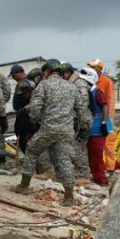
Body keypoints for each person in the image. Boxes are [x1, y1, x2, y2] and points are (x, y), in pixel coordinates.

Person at [13, 60, 87, 205]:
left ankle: (24, 186)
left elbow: (35, 108)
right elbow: (82, 110)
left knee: (32, 151)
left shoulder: (43, 85)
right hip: (66, 131)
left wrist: (35, 122)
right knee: (64, 160)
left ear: (47, 71)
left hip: (48, 129)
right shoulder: (71, 87)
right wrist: (83, 127)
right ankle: (69, 196)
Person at [78, 67, 111, 186]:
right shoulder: (88, 92)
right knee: (91, 156)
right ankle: (97, 178)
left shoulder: (97, 92)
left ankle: (102, 180)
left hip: (98, 130)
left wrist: (103, 123)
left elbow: (105, 106)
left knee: (96, 156)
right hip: (91, 130)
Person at [69, 63, 94, 182]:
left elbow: (82, 105)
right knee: (78, 148)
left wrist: (83, 126)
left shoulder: (79, 84)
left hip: (82, 120)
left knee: (79, 148)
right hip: (81, 119)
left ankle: (83, 176)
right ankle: (81, 175)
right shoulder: (79, 83)